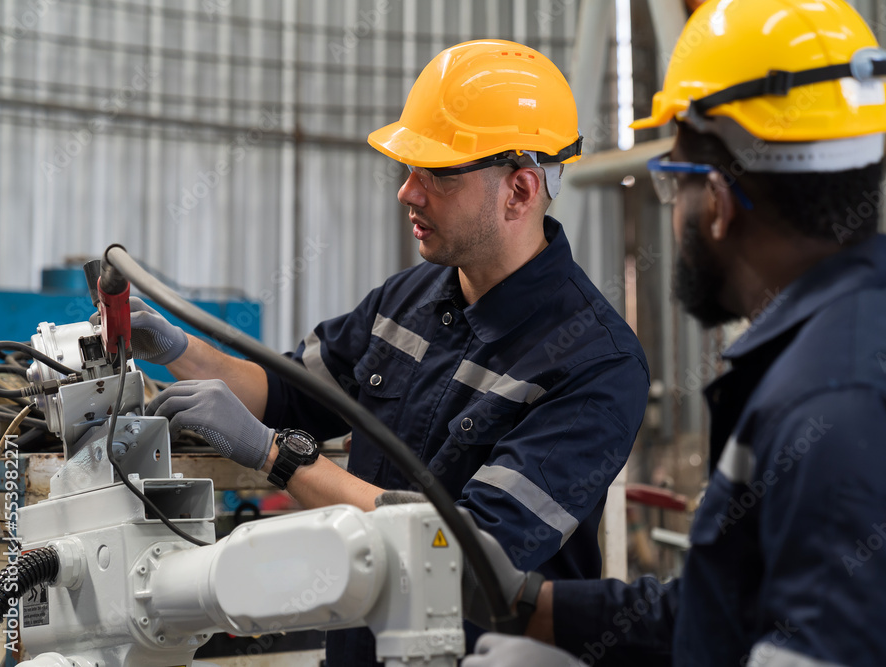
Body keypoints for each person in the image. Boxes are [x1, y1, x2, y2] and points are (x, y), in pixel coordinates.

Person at [461, 1, 886, 665]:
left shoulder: (843, 408)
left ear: (714, 200)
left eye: (672, 183)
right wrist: (530, 606)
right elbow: (731, 613)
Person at [137, 39, 651, 666]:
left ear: (519, 190)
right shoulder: (404, 300)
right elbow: (289, 394)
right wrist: (179, 347)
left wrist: (278, 458)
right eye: (409, 169)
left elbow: (467, 552)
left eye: (437, 173)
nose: (407, 192)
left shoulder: (595, 363)